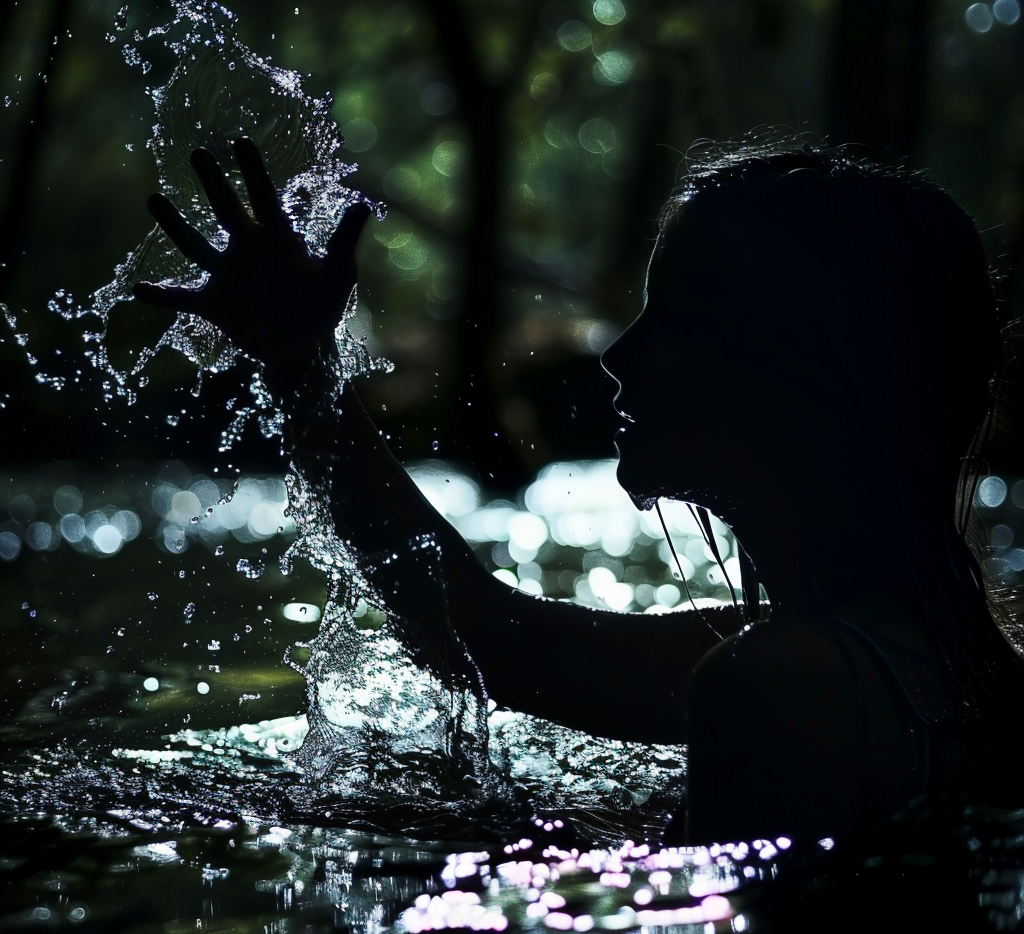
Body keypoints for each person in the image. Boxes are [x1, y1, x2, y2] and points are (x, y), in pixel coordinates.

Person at [136, 133, 1024, 845]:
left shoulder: (784, 682)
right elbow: (485, 637)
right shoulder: (933, 661)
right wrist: (303, 370)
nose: (618, 354)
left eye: (676, 320)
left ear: (794, 378)